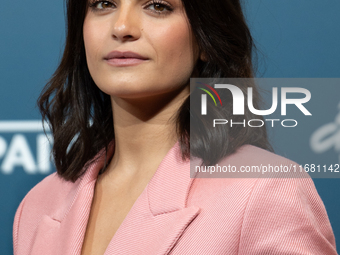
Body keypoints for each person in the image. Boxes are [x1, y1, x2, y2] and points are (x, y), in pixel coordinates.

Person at [13, 0, 337, 254]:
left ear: (206, 37)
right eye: (103, 3)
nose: (122, 26)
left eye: (157, 5)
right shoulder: (38, 204)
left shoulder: (264, 190)